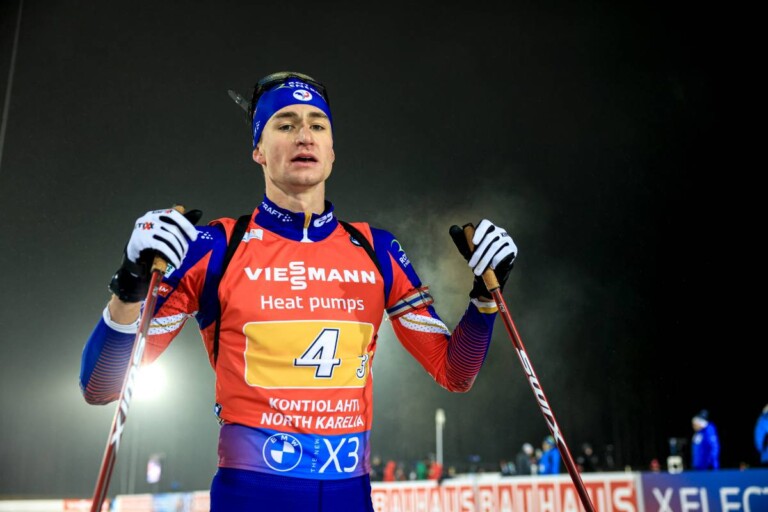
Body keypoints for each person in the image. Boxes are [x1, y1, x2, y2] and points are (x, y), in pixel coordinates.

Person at [78, 71, 518, 511]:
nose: (304, 135)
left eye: (317, 125)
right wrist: (130, 283)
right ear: (258, 150)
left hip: (350, 497)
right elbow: (102, 386)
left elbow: (454, 372)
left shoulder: (377, 250)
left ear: (332, 151)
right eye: (286, 124)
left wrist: (484, 298)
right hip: (251, 497)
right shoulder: (215, 247)